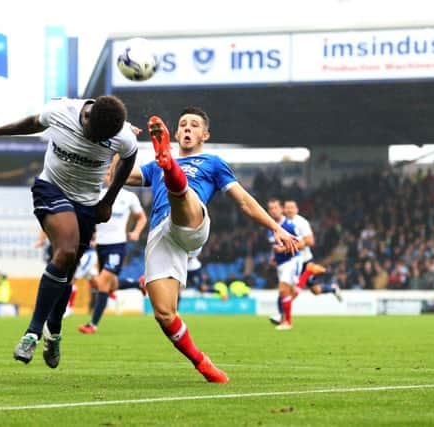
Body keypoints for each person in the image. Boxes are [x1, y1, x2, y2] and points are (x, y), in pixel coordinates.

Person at [124, 107, 298, 383]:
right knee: (164, 314)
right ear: (177, 133)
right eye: (183, 125)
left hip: (192, 223)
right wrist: (117, 142)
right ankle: (202, 363)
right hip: (161, 235)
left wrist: (275, 227)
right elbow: (115, 176)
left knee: (182, 195)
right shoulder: (152, 166)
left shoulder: (213, 162)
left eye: (194, 125)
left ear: (205, 135)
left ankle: (173, 172)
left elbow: (243, 200)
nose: (188, 129)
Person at [0, 95, 137, 369]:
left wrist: (108, 200)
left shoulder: (122, 136)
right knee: (66, 252)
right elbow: (33, 123)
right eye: (93, 136)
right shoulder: (61, 111)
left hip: (87, 203)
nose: (97, 142)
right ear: (86, 117)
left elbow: (128, 160)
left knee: (66, 274)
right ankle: (32, 334)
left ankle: (55, 332)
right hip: (52, 189)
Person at [78, 157, 147, 334]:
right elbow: (91, 219)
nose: (108, 176)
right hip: (101, 246)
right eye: (107, 173)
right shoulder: (98, 195)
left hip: (117, 245)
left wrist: (136, 232)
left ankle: (92, 324)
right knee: (111, 285)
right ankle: (138, 284)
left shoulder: (128, 197)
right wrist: (92, 234)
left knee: (102, 283)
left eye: (111, 173)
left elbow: (142, 218)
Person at [269, 199, 342, 325]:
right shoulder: (281, 223)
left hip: (305, 261)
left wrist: (289, 247)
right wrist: (275, 255)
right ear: (283, 209)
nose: (289, 210)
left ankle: (332, 289)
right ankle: (282, 316)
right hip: (291, 260)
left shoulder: (300, 222)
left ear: (297, 209)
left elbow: (310, 241)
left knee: (311, 291)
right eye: (287, 207)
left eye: (292, 207)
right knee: (294, 289)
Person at [266, 199, 305, 331]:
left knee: (283, 290)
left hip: (292, 260)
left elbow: (301, 243)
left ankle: (287, 322)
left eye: (275, 207)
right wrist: (274, 257)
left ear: (281, 209)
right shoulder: (270, 227)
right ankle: (285, 320)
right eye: (270, 208)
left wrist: (283, 250)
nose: (273, 210)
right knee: (289, 292)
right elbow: (275, 245)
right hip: (281, 263)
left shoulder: (289, 225)